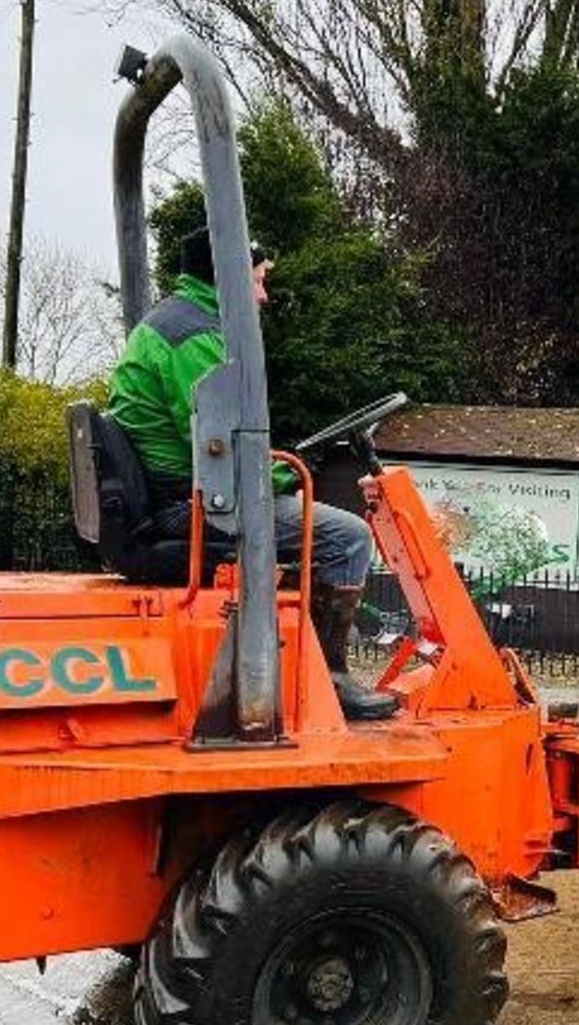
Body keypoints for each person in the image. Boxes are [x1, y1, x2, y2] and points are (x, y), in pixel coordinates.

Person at [107, 229, 399, 721]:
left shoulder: (172, 322)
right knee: (347, 537)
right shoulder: (196, 337)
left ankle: (292, 658)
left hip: (176, 494)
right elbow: (224, 443)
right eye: (258, 281)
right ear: (229, 279)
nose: (263, 296)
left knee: (307, 516)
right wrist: (288, 477)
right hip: (190, 505)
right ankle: (330, 676)